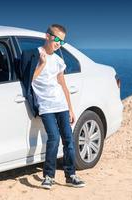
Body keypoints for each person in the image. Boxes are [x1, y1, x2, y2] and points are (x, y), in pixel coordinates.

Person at [31, 24, 85, 189]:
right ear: (47, 36)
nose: (58, 43)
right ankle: (48, 176)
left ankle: (71, 175)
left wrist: (70, 108)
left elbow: (63, 86)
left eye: (61, 41)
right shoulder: (35, 55)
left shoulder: (59, 61)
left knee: (68, 140)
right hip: (46, 106)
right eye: (56, 39)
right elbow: (30, 80)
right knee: (53, 139)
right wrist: (41, 64)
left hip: (61, 105)